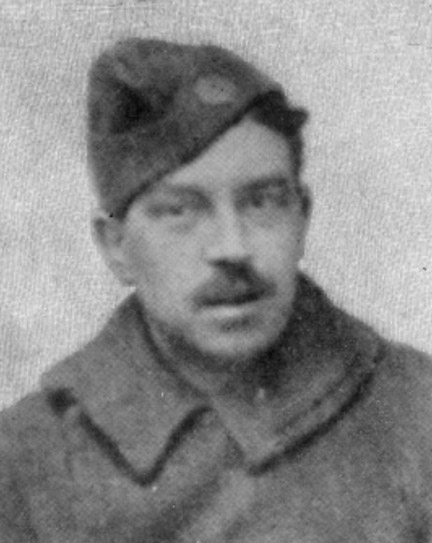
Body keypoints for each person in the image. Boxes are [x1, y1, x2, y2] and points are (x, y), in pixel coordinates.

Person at [1, 37, 431, 543]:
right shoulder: (23, 463)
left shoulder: (416, 411)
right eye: (181, 210)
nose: (233, 248)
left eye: (262, 202)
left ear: (302, 217)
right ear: (116, 246)